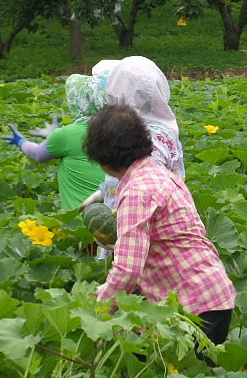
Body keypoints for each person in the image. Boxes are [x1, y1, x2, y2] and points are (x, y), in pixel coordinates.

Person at [85, 103, 235, 343]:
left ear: (102, 158)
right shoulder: (162, 175)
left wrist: (97, 315)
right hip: (211, 293)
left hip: (192, 307)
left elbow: (127, 270)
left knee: (175, 366)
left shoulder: (136, 192)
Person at [6, 73, 107, 211]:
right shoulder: (118, 130)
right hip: (117, 217)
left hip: (77, 218)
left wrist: (20, 141)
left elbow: (38, 154)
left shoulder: (66, 135)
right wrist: (54, 137)